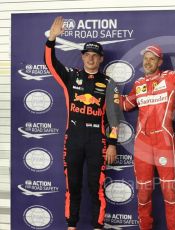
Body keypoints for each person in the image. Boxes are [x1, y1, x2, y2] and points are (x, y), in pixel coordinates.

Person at [44, 16, 120, 230]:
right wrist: (51, 39)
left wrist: (112, 143)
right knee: (73, 186)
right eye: (87, 55)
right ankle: (71, 225)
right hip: (74, 138)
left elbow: (114, 117)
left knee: (96, 187)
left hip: (97, 140)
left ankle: (98, 225)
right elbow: (50, 63)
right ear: (82, 56)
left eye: (95, 55)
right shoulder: (71, 76)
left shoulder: (109, 84)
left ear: (101, 59)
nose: (91, 59)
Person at [120, 20, 175, 230]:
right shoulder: (138, 84)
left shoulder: (169, 78)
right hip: (142, 143)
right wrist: (110, 95)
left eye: (151, 59)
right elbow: (126, 105)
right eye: (145, 59)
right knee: (143, 192)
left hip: (164, 140)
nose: (147, 62)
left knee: (169, 193)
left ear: (159, 61)